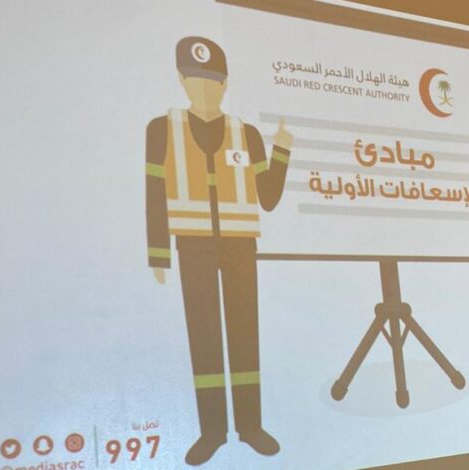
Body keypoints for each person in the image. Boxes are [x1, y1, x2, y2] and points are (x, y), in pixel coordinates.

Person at [144, 36, 293, 466]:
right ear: (181, 80)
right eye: (195, 79)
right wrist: (158, 254)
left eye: (213, 81)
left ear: (225, 85)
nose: (204, 89)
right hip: (192, 247)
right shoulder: (161, 129)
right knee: (205, 338)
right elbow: (154, 192)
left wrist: (282, 151)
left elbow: (268, 197)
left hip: (240, 246)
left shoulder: (247, 134)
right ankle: (212, 432)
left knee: (245, 336)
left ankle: (250, 426)